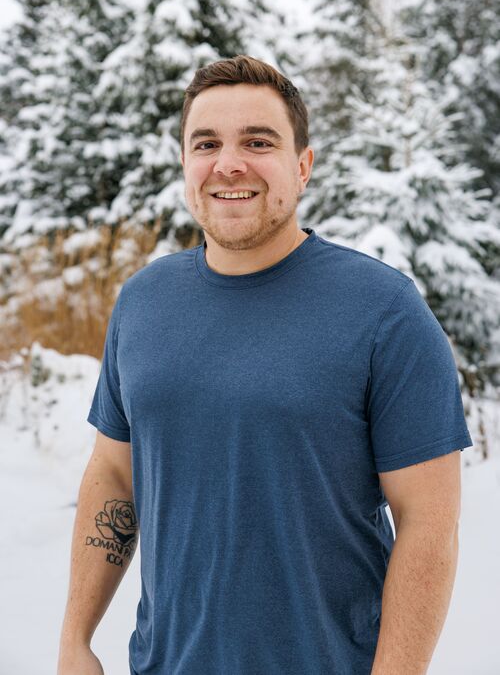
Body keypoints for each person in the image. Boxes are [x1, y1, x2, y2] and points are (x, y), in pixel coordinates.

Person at [57, 55, 474, 675]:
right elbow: (115, 476)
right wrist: (75, 638)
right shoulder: (143, 301)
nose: (229, 163)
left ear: (302, 166)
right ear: (185, 163)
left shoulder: (384, 311)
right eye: (206, 144)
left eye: (258, 142)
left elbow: (428, 523)